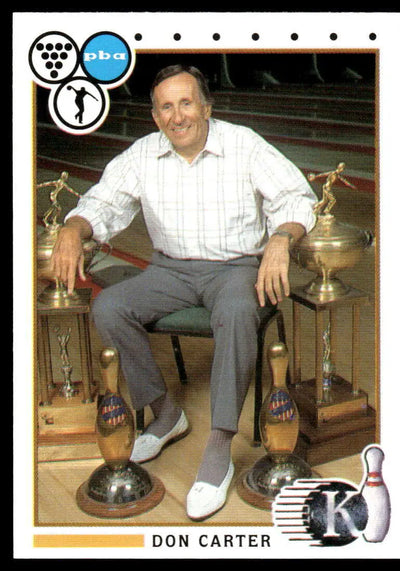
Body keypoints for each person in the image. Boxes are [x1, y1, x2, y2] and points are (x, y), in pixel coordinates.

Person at [50, 64, 317, 520]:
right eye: (166, 107)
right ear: (155, 117)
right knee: (111, 307)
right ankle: (166, 411)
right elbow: (104, 200)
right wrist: (73, 227)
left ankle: (218, 444)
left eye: (186, 103)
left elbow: (295, 196)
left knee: (235, 312)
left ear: (206, 107)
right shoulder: (142, 154)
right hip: (169, 270)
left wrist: (280, 239)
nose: (178, 116)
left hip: (234, 269)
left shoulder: (242, 143)